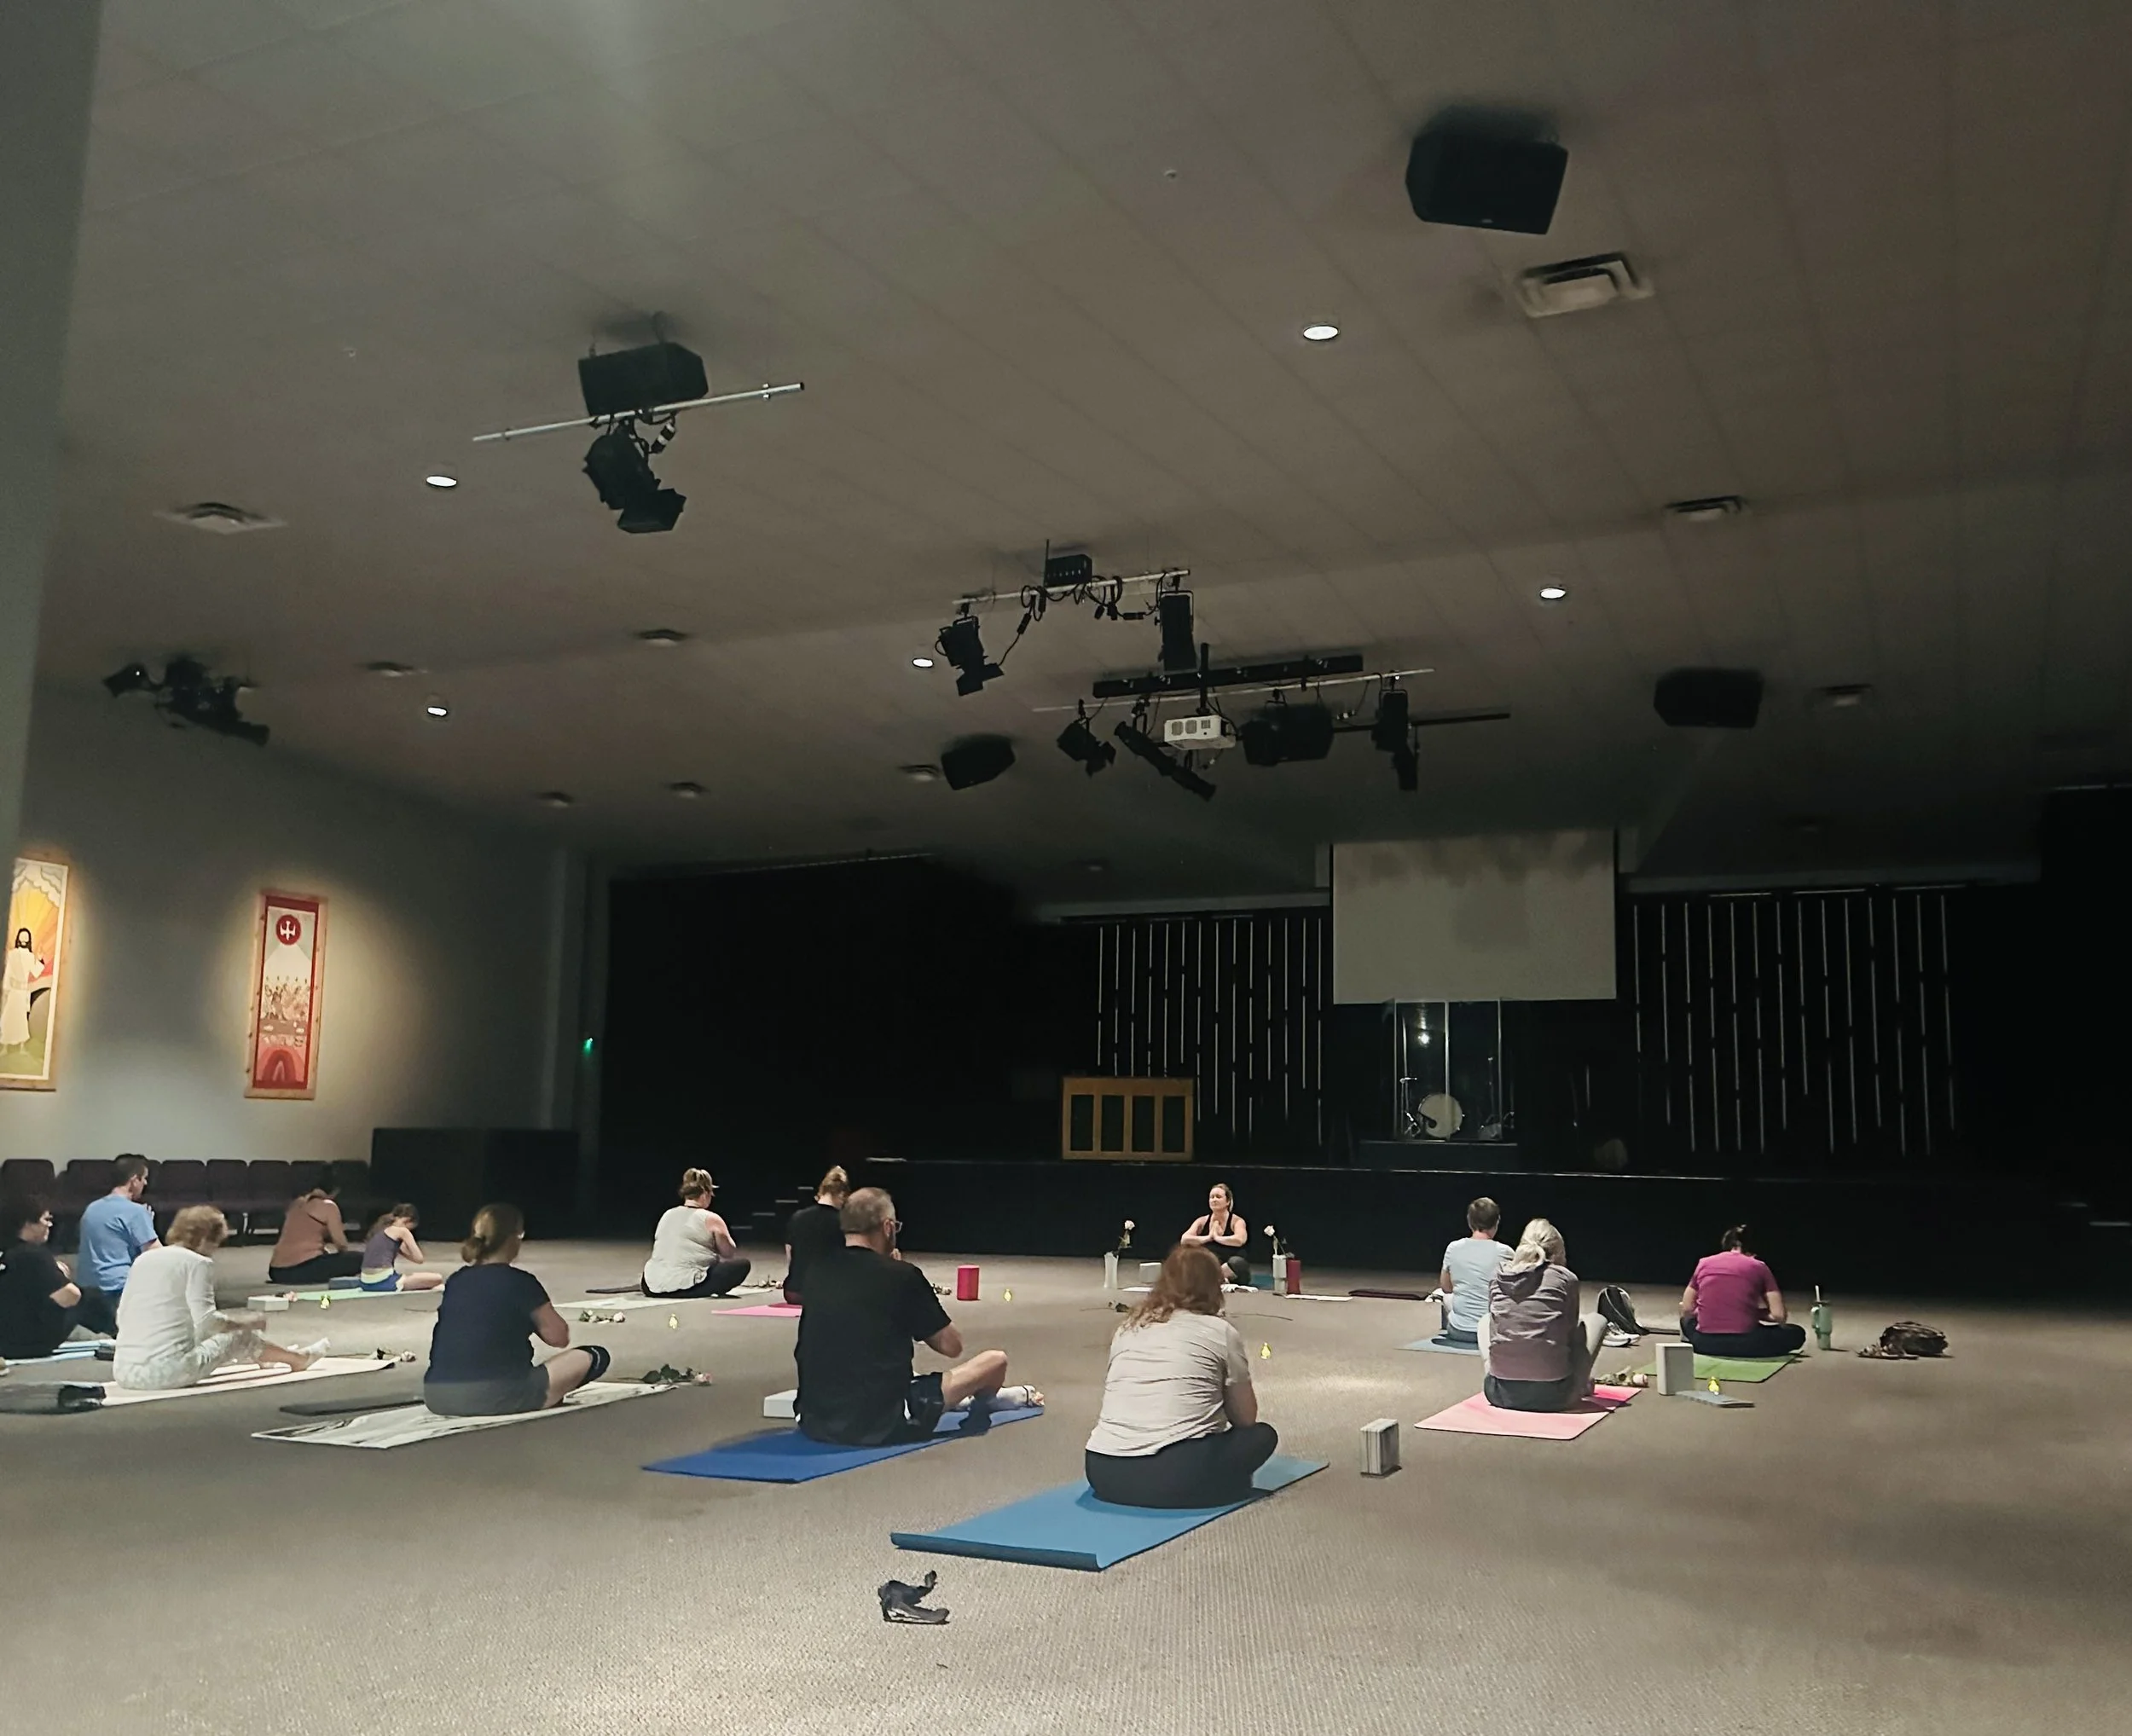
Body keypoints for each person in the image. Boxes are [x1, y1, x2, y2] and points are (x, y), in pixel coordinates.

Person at [795, 1186, 1039, 1445]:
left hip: (815, 1418)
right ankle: (987, 1398)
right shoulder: (900, 1276)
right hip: (880, 1420)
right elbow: (951, 1346)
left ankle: (960, 1398)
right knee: (995, 1361)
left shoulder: (817, 1271)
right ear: (888, 1227)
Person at [1084, 1244, 1278, 1507]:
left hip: (1102, 1471)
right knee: (1262, 1436)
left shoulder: (1127, 1328)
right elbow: (1245, 1419)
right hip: (1174, 1476)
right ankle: (1214, 1486)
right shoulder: (1220, 1331)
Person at [425, 1202, 607, 1415]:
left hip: (436, 1396)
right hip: (495, 1394)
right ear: (514, 1238)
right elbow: (559, 1338)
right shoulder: (521, 1282)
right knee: (595, 1355)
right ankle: (542, 1397)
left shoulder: (457, 1280)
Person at [113, 1207, 318, 1391]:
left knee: (217, 1335)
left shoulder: (143, 1259)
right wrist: (249, 1322)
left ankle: (265, 1354)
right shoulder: (198, 1263)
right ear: (207, 1239)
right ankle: (296, 1359)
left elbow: (121, 1317)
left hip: (124, 1372)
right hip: (165, 1374)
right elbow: (208, 1322)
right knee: (239, 1335)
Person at [1479, 1218, 1607, 1413]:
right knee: (1597, 1321)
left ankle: (1496, 1370)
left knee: (1486, 1320)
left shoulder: (1498, 1276)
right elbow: (1572, 1336)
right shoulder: (1565, 1278)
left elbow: (1496, 1328)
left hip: (1498, 1393)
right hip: (1556, 1397)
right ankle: (1580, 1383)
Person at [1680, 1225, 1807, 1357]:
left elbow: (1687, 1308)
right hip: (1747, 1344)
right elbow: (1779, 1316)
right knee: (1796, 1333)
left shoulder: (1703, 1263)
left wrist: (1712, 1311)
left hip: (1704, 1343)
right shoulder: (1760, 1267)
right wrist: (1750, 1312)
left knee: (1686, 1321)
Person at [74, 1155, 159, 1334]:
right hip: (118, 1290)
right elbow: (156, 1256)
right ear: (134, 1180)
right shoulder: (136, 1212)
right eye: (144, 1179)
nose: (145, 1184)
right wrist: (147, 1225)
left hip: (88, 1289)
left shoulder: (91, 1208)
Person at [642, 1168, 751, 1299]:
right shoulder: (711, 1219)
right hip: (690, 1284)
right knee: (742, 1265)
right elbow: (728, 1253)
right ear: (705, 1193)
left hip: (651, 1286)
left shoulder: (667, 1214)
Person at [0, 1198, 84, 1360]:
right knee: (88, 1297)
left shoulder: (8, 1253)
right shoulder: (34, 1255)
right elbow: (71, 1296)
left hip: (5, 1341)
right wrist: (60, 1275)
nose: (50, 1225)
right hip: (31, 1343)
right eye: (46, 1219)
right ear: (28, 1224)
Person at [1435, 1195, 1511, 1345]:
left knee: (1441, 1294)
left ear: (1470, 1221)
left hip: (1458, 1331)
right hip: (1492, 1333)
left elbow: (1446, 1288)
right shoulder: (1506, 1252)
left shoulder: (1453, 1248)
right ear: (1496, 1222)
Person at [783, 1165, 851, 1305]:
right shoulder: (843, 1222)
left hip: (793, 1293)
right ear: (842, 1194)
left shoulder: (797, 1217)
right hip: (827, 1293)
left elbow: (790, 1256)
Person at [267, 1186, 361, 1286]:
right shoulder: (328, 1206)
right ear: (334, 1193)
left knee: (326, 1257)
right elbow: (341, 1244)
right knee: (360, 1259)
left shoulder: (297, 1203)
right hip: (300, 1269)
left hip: (276, 1271)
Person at [358, 1203, 443, 1293]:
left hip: (365, 1282)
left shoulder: (379, 1229)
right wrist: (403, 1247)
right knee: (437, 1278)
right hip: (383, 1281)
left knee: (420, 1280)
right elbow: (419, 1259)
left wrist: (399, 1248)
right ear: (408, 1220)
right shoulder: (402, 1231)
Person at [1181, 1182, 1251, 1287]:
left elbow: (1240, 1240)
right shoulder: (1202, 1221)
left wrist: (1217, 1238)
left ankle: (1215, 1279)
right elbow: (1184, 1239)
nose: (1214, 1200)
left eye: (1218, 1197)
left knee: (1236, 1262)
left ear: (1227, 1201)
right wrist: (1208, 1238)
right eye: (1212, 1197)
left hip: (1231, 1268)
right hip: (1211, 1266)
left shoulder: (1237, 1221)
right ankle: (1216, 1280)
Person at [2, 926, 40, 1050]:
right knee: (9, 1017)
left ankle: (22, 1047)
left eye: (26, 936)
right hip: (13, 990)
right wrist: (6, 989)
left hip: (23, 991)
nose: (24, 938)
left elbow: (35, 973)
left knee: (21, 1019)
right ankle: (5, 1047)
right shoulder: (12, 954)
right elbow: (8, 972)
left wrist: (39, 960)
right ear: (18, 938)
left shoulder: (30, 956)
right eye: (22, 936)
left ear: (28, 939)